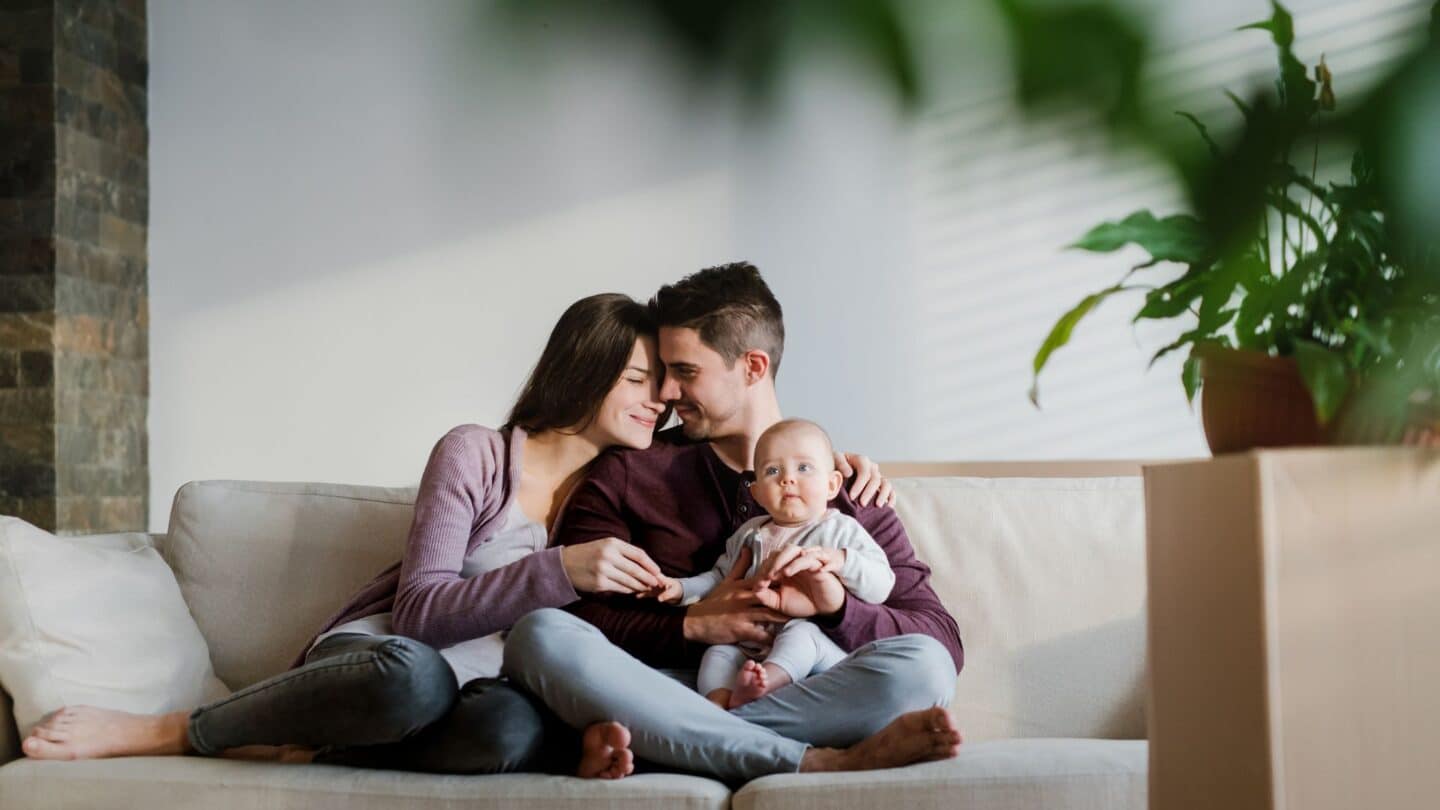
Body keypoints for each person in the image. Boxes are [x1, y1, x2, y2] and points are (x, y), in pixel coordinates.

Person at [21, 293, 675, 778]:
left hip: (487, 693)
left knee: (506, 733)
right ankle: (176, 729)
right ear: (586, 371)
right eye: (639, 382)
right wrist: (559, 570)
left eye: (664, 390)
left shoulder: (614, 501)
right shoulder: (474, 453)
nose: (658, 402)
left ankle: (308, 747)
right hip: (390, 663)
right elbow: (418, 612)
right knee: (411, 679)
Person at [503, 262, 966, 786]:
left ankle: (682, 743)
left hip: (805, 688)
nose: (666, 394)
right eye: (663, 373)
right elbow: (570, 611)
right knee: (537, 634)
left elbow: (940, 638)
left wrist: (837, 607)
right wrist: (689, 625)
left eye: (685, 371)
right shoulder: (632, 469)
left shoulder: (843, 486)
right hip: (672, 684)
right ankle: (808, 759)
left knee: (924, 667)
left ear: (752, 366)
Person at [652, 418, 897, 710]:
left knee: (803, 635)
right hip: (750, 643)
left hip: (817, 647)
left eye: (803, 468)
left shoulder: (841, 530)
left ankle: (765, 685)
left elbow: (882, 584)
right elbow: (719, 576)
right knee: (718, 652)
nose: (787, 479)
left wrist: (841, 560)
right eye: (772, 471)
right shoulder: (751, 532)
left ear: (832, 485)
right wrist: (679, 588)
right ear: (757, 493)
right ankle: (720, 705)